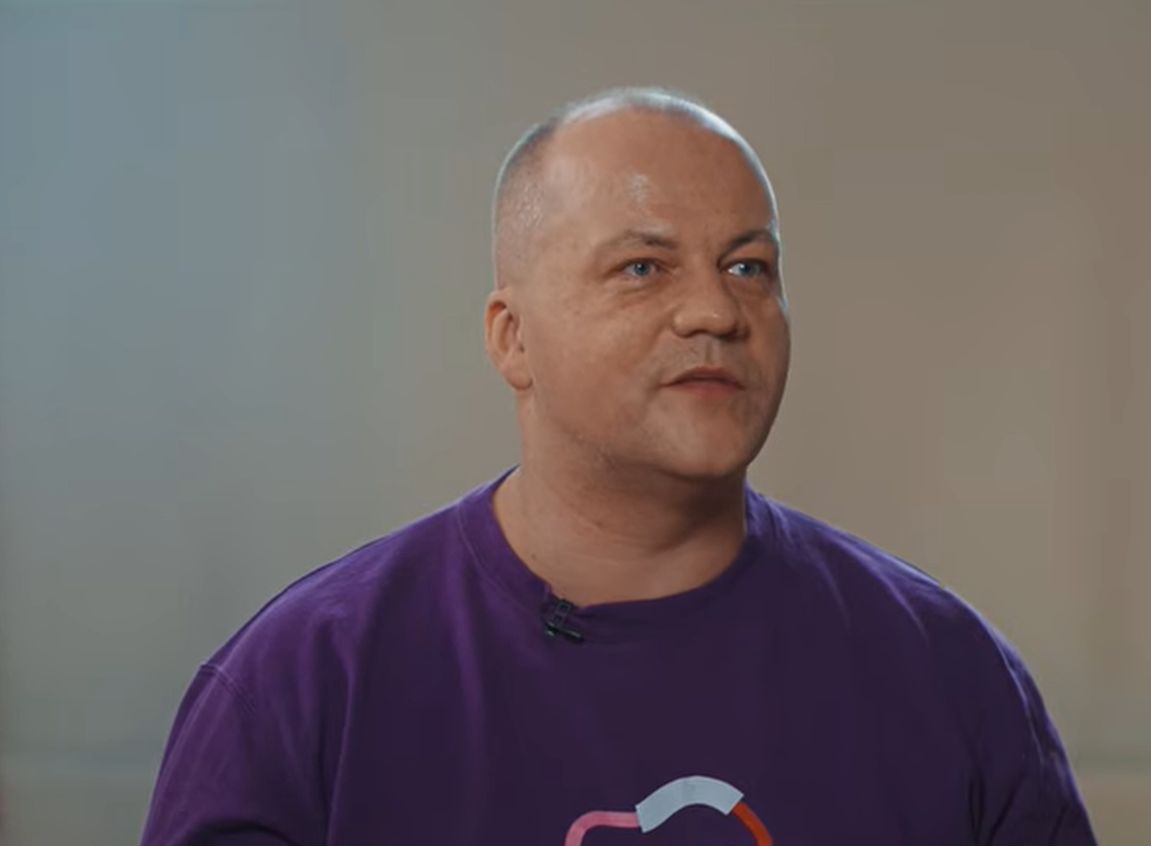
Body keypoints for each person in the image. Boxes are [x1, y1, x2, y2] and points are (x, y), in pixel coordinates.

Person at [140, 87, 1098, 845]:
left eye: (749, 267)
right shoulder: (306, 687)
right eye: (644, 267)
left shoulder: (945, 673)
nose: (716, 312)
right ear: (512, 338)